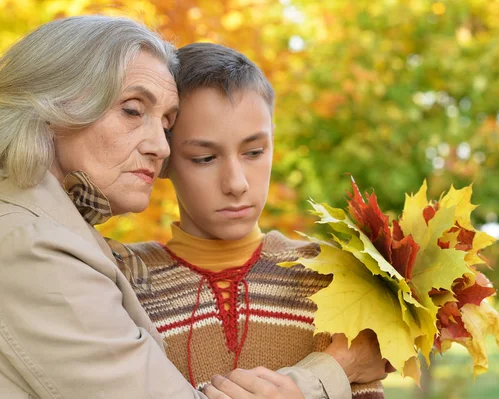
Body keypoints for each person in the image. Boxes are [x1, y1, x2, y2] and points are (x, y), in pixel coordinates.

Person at [0, 15, 369, 399]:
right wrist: (331, 372)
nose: (160, 146)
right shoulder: (30, 247)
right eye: (132, 110)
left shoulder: (33, 226)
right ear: (52, 103)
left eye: (165, 122)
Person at [115, 42, 391, 399]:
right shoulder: (118, 281)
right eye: (204, 158)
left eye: (254, 152)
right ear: (164, 157)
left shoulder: (333, 279)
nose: (236, 183)